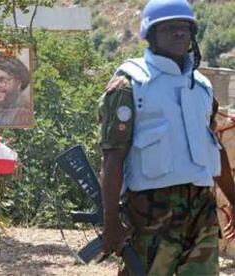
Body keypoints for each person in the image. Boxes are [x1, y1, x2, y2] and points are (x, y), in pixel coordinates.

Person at [98, 0, 235, 275]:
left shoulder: (202, 87)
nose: (179, 33)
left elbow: (214, 148)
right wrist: (110, 220)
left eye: (185, 28)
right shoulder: (128, 85)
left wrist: (233, 199)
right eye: (169, 28)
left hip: (201, 210)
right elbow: (113, 159)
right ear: (150, 35)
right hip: (150, 213)